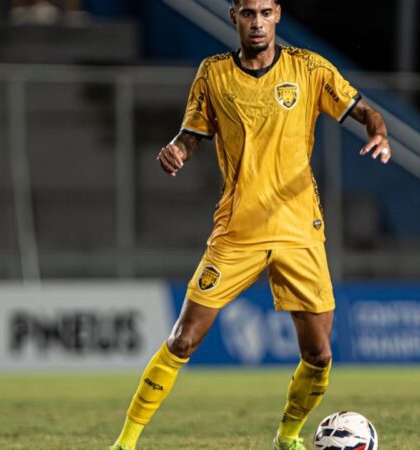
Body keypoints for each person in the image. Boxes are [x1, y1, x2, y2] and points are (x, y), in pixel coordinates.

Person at [109, 0, 391, 448]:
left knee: (318, 354)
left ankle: (289, 436)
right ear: (233, 17)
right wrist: (178, 150)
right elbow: (192, 132)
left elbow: (362, 109)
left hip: (299, 231)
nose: (256, 22)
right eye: (247, 13)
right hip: (237, 231)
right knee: (183, 339)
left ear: (277, 14)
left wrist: (378, 131)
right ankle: (124, 444)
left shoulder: (309, 68)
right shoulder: (213, 73)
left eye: (264, 12)